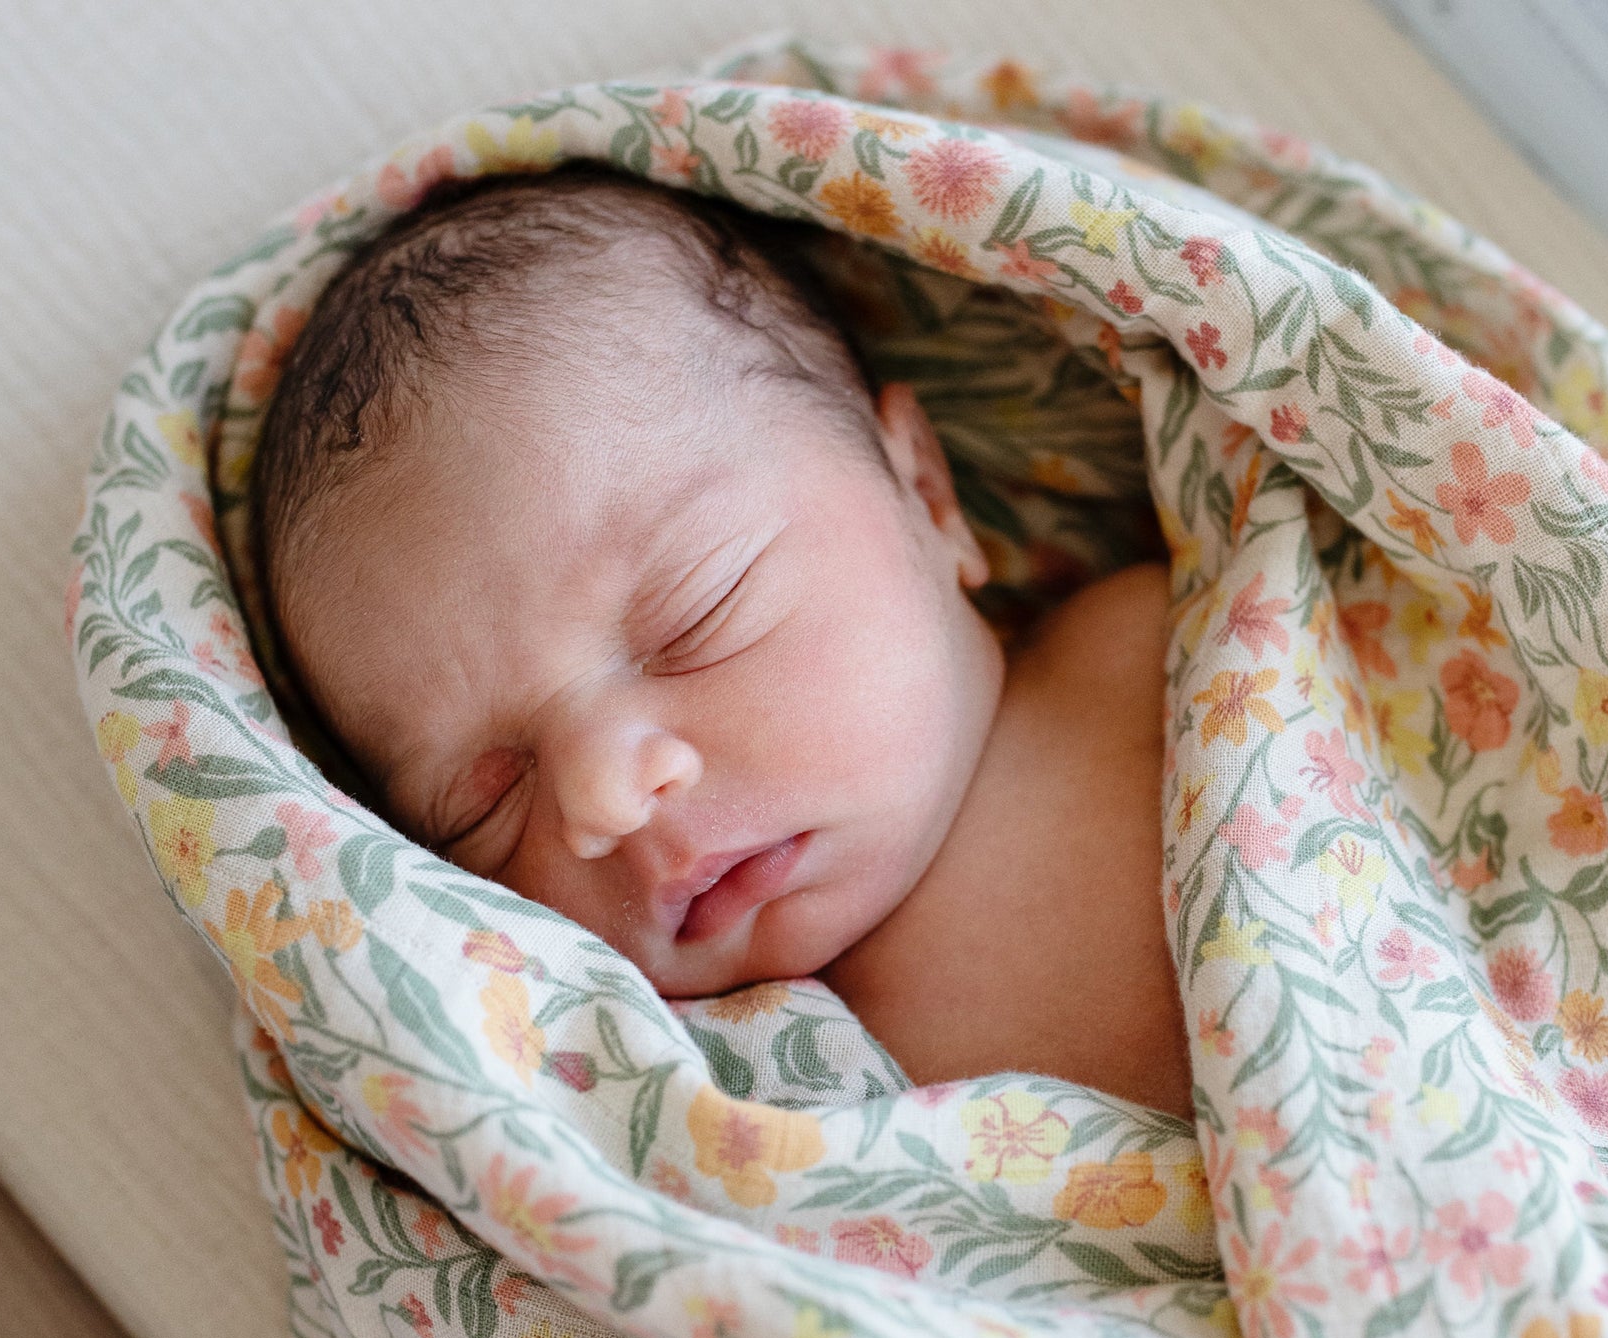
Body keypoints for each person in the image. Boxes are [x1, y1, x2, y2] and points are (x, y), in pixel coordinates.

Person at [252, 164, 1191, 1117]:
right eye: (484, 807)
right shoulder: (695, 1087)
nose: (606, 794)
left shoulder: (1167, 650)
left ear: (926, 492)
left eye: (698, 613)